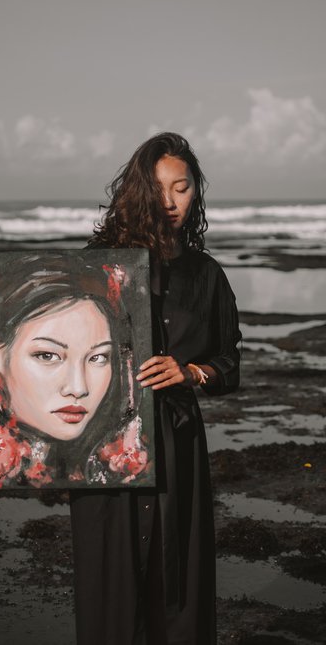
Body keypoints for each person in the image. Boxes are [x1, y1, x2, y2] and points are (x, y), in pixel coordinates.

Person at [69, 132, 241, 645]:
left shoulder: (207, 275)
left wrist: (193, 373)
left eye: (182, 187)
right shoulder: (94, 268)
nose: (169, 201)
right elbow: (37, 352)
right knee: (110, 599)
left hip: (176, 443)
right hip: (104, 445)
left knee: (178, 590)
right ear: (136, 192)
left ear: (196, 193)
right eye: (157, 188)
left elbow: (229, 362)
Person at [0, 252, 151, 489]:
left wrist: (190, 374)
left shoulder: (114, 462)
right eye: (47, 355)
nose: (78, 388)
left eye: (98, 357)